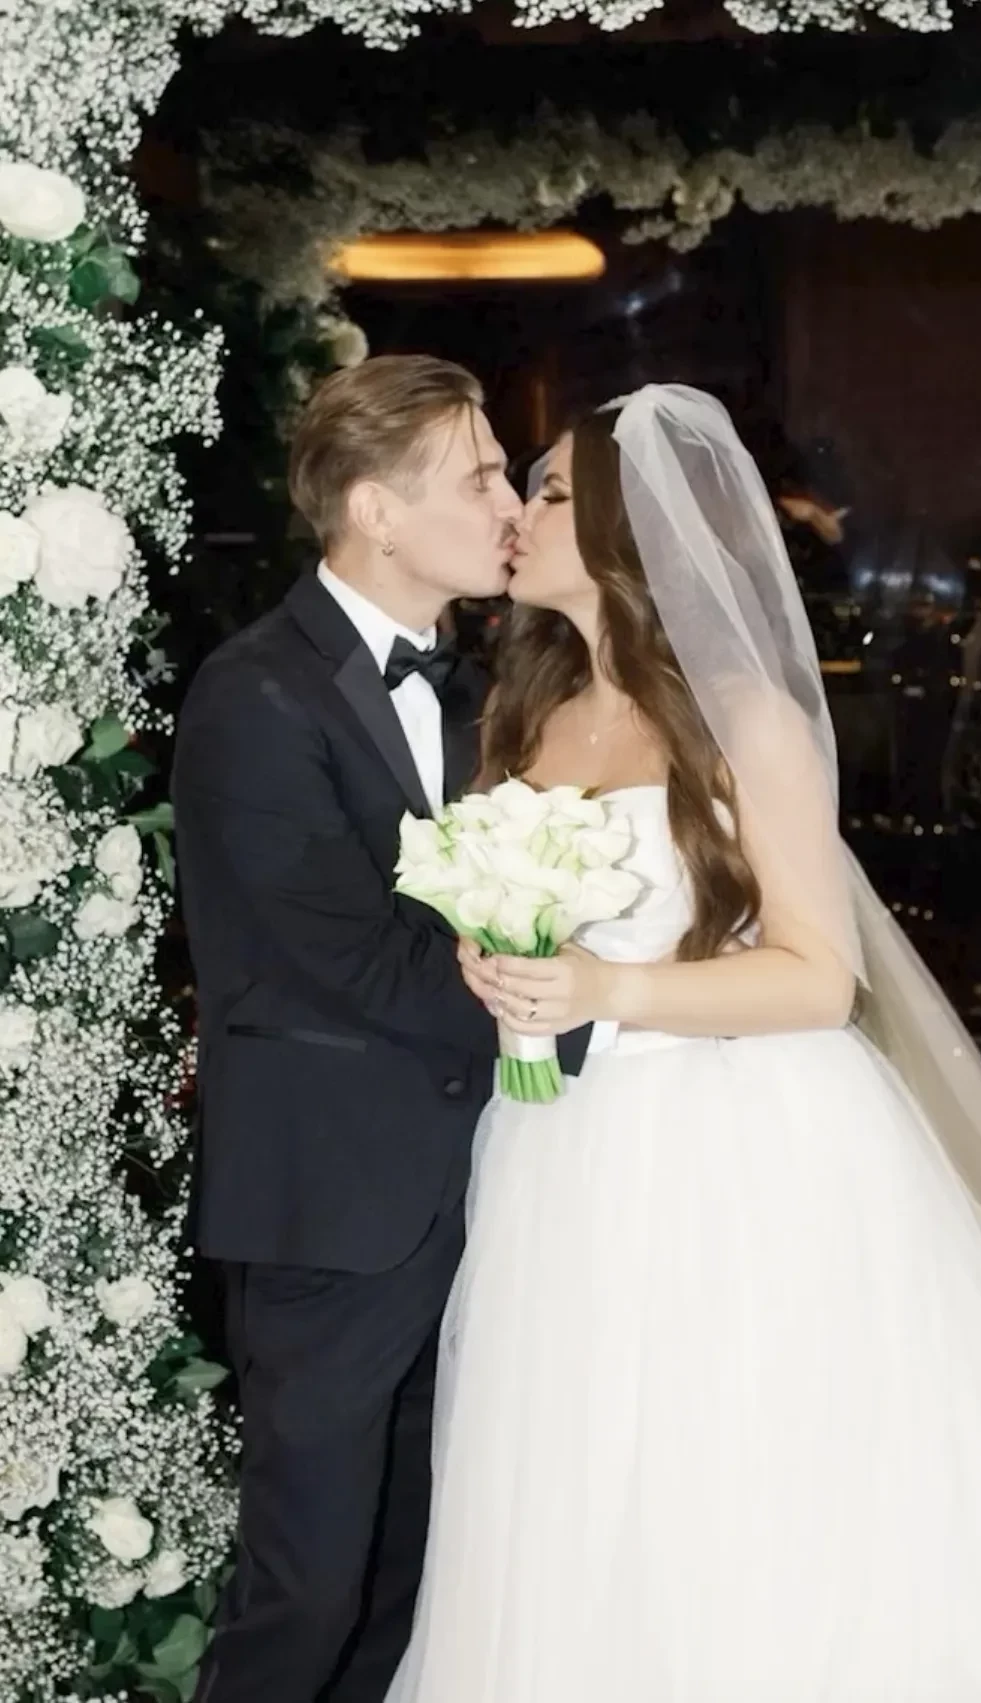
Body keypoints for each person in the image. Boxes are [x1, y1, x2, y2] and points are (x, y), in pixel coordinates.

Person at [386, 384, 981, 1703]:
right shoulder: (522, 712)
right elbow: (516, 912)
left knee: (743, 1470)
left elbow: (817, 977)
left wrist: (606, 984)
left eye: (547, 492)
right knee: (579, 1480)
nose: (516, 514)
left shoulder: (743, 715)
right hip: (558, 1148)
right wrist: (499, 957)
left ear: (626, 530)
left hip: (735, 1142)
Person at [173, 354, 589, 1703]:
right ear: (376, 511)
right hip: (331, 1210)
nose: (508, 503)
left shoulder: (483, 688)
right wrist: (588, 1014)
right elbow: (346, 954)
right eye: (479, 478)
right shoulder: (254, 693)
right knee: (304, 1591)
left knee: (416, 1583)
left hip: (482, 1197)